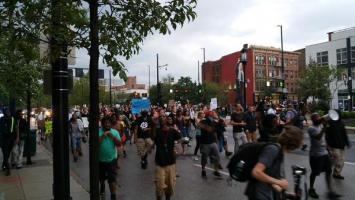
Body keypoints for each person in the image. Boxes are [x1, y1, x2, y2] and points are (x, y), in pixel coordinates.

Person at [245, 126, 304, 200]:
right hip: (259, 193)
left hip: (266, 192)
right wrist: (279, 182)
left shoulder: (281, 152)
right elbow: (256, 172)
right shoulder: (273, 150)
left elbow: (268, 173)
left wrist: (280, 186)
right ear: (294, 141)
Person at [307, 113, 341, 199]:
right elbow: (318, 137)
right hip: (315, 155)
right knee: (315, 172)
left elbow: (323, 140)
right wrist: (324, 128)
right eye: (317, 117)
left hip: (324, 154)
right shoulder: (311, 128)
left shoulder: (321, 126)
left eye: (319, 117)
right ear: (313, 120)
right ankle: (311, 189)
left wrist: (329, 151)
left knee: (328, 171)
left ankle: (330, 191)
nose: (319, 118)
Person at [154, 115, 181, 200]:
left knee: (170, 186)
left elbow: (180, 139)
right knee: (159, 186)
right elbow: (153, 140)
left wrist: (178, 148)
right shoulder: (157, 131)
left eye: (166, 120)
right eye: (162, 120)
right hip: (160, 163)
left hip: (171, 163)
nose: (164, 122)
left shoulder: (173, 131)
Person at [99, 116, 121, 200]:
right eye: (106, 123)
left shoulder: (115, 132)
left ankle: (113, 196)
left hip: (112, 160)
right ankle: (102, 185)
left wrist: (112, 137)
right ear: (103, 124)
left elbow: (119, 144)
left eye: (109, 123)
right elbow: (95, 145)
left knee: (112, 179)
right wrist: (103, 136)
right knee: (101, 178)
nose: (107, 124)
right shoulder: (98, 132)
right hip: (100, 160)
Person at [325, 110, 351, 180]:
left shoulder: (341, 123)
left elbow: (344, 134)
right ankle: (332, 171)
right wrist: (328, 144)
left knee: (341, 160)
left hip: (341, 145)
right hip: (334, 145)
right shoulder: (329, 123)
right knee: (337, 159)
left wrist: (347, 143)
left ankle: (336, 173)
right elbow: (327, 135)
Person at [199, 111, 222, 178]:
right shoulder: (203, 121)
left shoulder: (214, 122)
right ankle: (203, 169)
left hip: (213, 142)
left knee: (217, 156)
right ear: (210, 115)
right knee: (204, 157)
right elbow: (207, 128)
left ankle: (216, 171)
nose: (215, 114)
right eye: (214, 114)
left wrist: (216, 139)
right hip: (205, 143)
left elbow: (216, 131)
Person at [0, 109, 17, 176]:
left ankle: (5, 166)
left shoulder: (2, 119)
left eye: (9, 112)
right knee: (6, 154)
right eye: (7, 112)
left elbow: (14, 129)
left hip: (6, 140)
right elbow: (14, 130)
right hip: (8, 139)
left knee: (6, 154)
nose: (8, 113)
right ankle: (7, 167)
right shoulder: (11, 119)